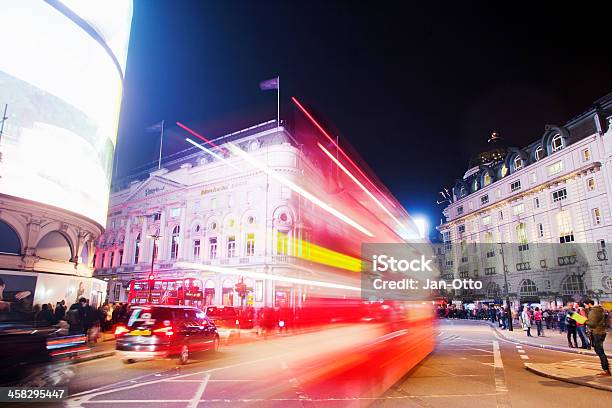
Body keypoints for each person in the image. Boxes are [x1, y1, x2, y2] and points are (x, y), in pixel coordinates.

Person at [584, 299, 610, 376]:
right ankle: (606, 369)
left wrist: (584, 321)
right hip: (601, 332)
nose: (584, 306)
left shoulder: (594, 311)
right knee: (599, 350)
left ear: (588, 304)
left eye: (585, 305)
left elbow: (592, 323)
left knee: (600, 351)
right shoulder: (598, 310)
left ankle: (606, 370)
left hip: (597, 332)